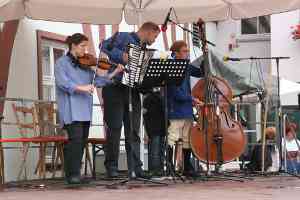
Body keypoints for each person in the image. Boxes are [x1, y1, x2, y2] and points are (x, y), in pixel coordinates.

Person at [55, 33, 124, 184]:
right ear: (73, 45)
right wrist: (82, 87)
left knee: (81, 141)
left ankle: (75, 174)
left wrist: (115, 72)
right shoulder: (62, 63)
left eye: (86, 46)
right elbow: (63, 83)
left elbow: (99, 81)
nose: (85, 50)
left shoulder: (85, 65)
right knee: (75, 140)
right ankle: (72, 174)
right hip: (71, 109)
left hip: (85, 109)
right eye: (82, 46)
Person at [100, 22, 160, 178]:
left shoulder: (144, 49)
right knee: (114, 129)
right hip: (114, 88)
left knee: (133, 130)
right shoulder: (123, 36)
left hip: (132, 90)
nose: (155, 39)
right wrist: (122, 56)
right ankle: (111, 168)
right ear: (147, 31)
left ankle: (135, 168)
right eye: (155, 36)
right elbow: (103, 45)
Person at [167, 40, 204, 177]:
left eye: (188, 51)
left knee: (187, 139)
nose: (187, 53)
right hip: (176, 109)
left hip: (186, 109)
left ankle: (186, 167)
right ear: (175, 53)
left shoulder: (186, 66)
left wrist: (206, 56)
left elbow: (201, 72)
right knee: (173, 138)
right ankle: (169, 166)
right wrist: (192, 99)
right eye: (184, 51)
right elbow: (175, 92)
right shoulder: (171, 67)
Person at [143, 88, 165, 176]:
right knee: (155, 149)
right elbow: (145, 115)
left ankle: (158, 169)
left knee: (159, 148)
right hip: (154, 126)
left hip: (159, 125)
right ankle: (155, 169)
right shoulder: (149, 98)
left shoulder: (160, 97)